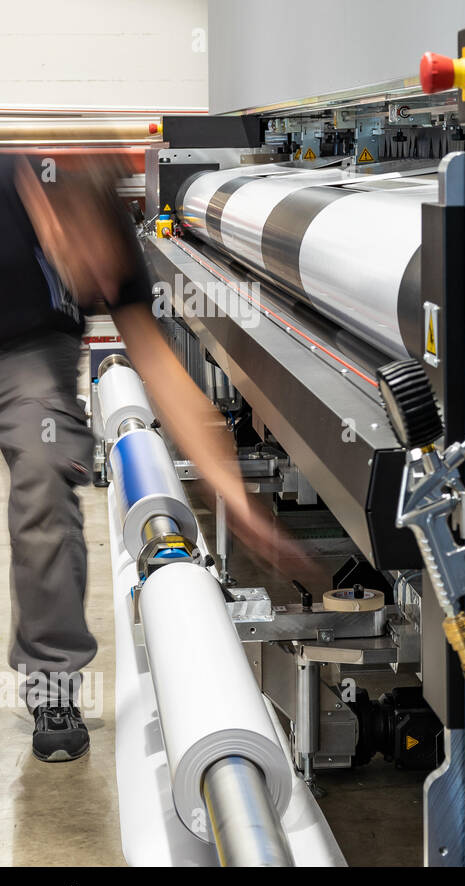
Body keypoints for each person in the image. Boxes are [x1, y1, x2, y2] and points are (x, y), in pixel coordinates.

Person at [2, 153, 303, 761]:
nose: (106, 293)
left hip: (32, 354)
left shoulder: (109, 241)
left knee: (45, 471)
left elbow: (167, 378)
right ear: (49, 217)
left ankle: (53, 683)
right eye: (91, 275)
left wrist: (240, 506)